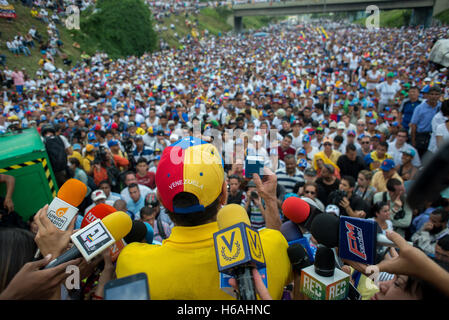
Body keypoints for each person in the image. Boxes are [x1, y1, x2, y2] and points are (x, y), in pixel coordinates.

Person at [115, 137, 292, 299]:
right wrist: (268, 199)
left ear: (160, 200)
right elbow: (276, 246)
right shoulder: (272, 247)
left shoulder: (131, 263)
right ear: (224, 194)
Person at [410, 85, 442, 159]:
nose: (434, 96)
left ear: (440, 95)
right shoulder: (419, 108)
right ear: (428, 95)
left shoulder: (442, 107)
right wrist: (413, 141)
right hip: (422, 137)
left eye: (436, 94)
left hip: (436, 136)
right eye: (432, 94)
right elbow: (413, 125)